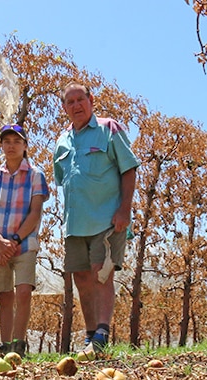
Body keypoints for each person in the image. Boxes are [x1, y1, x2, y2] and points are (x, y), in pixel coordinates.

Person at [54, 82, 140, 356]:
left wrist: (124, 210)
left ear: (91, 100)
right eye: (70, 102)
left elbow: (128, 169)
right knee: (81, 277)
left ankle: (102, 332)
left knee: (101, 275)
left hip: (106, 220)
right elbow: (62, 179)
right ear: (64, 108)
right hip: (75, 224)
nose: (76, 105)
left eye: (81, 99)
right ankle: (90, 335)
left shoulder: (109, 128)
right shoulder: (62, 140)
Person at [0, 124, 49, 358]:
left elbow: (35, 211)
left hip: (25, 244)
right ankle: (5, 346)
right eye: (7, 141)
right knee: (5, 296)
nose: (11, 145)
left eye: (16, 141)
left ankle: (19, 344)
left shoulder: (36, 175)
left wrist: (16, 240)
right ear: (1, 145)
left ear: (25, 146)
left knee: (23, 292)